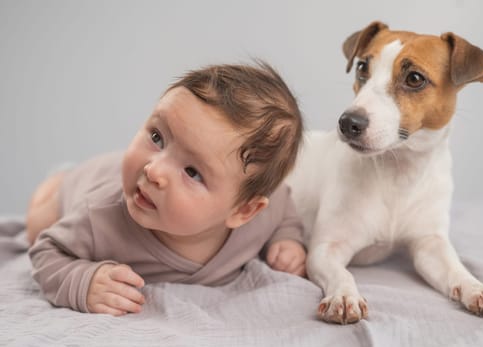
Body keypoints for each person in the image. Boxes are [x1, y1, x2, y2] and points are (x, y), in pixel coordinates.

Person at [27, 62, 306, 316]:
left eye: (192, 172)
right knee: (36, 226)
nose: (154, 170)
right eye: (157, 137)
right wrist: (83, 282)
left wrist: (287, 238)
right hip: (86, 181)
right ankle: (57, 180)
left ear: (245, 210)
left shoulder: (263, 216)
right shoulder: (100, 217)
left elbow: (284, 207)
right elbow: (46, 252)